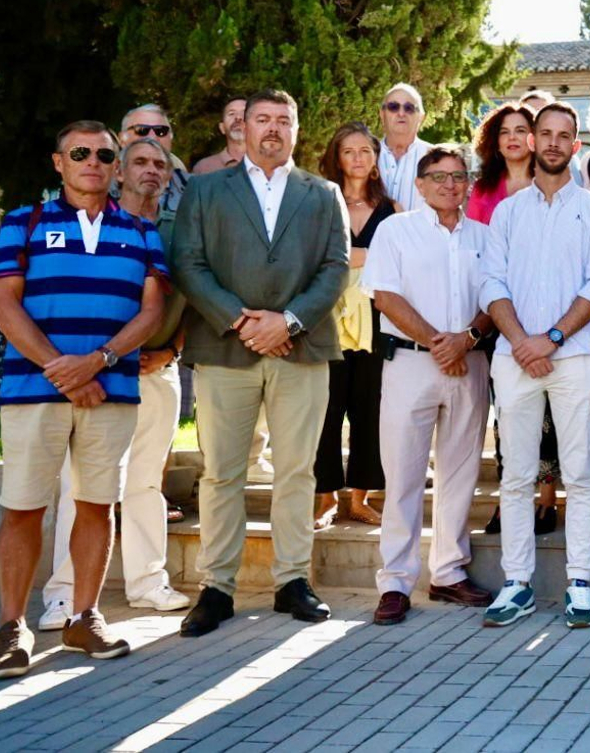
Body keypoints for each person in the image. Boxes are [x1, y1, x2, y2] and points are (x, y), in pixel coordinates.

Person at [0, 121, 167, 679]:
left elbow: (152, 311)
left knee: (97, 503)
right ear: (58, 162)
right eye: (80, 152)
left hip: (109, 391)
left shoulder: (141, 232)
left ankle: (84, 617)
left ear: (116, 165)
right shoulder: (25, 221)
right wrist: (62, 371)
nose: (93, 161)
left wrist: (101, 361)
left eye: (104, 154)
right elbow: (3, 306)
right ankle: (13, 627)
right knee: (23, 507)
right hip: (34, 391)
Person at [171, 88, 350, 637]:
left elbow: (335, 266)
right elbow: (188, 262)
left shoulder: (322, 193)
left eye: (284, 120)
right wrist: (240, 319)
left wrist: (288, 321)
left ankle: (292, 579)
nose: (273, 129)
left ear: (297, 129)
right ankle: (217, 587)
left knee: (297, 470)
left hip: (303, 347)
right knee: (222, 472)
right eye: (262, 120)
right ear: (241, 129)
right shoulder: (204, 190)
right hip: (226, 347)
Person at [480, 103, 590, 630]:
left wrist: (552, 339)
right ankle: (516, 584)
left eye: (566, 135)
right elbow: (492, 283)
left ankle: (579, 583)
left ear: (576, 146)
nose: (556, 143)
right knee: (515, 474)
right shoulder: (507, 212)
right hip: (514, 358)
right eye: (547, 134)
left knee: (579, 473)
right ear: (533, 141)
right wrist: (521, 342)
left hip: (575, 356)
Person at [41, 138, 191, 632]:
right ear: (120, 172)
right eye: (140, 163)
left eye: (160, 165)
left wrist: (170, 352)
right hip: (95, 377)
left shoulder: (176, 232)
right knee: (78, 485)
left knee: (147, 480)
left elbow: (187, 299)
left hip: (157, 372)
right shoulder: (92, 224)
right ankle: (63, 597)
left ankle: (148, 582)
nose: (151, 172)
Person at [363, 146, 497, 625]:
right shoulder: (395, 231)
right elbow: (384, 295)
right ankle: (396, 581)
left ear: (468, 184)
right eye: (438, 176)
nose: (449, 184)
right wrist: (440, 344)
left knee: (460, 473)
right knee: (401, 475)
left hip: (471, 363)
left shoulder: (485, 236)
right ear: (419, 185)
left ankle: (448, 572)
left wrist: (467, 340)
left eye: (458, 176)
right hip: (411, 363)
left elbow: (496, 297)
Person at [467, 102, 562, 534]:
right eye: (503, 130)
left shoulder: (557, 184)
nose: (512, 137)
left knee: (549, 414)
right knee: (509, 411)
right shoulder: (484, 190)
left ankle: (547, 499)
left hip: (550, 319)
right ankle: (512, 500)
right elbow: (475, 254)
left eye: (521, 129)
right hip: (498, 315)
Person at [312, 123, 394, 529]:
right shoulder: (321, 203)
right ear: (337, 158)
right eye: (349, 151)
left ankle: (359, 498)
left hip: (379, 319)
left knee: (370, 410)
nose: (359, 158)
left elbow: (396, 260)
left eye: (366, 150)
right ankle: (324, 498)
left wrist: (353, 255)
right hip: (328, 317)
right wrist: (364, 255)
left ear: (375, 159)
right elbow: (315, 257)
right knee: (326, 410)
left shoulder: (391, 208)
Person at [117, 104, 191, 213]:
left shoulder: (195, 190)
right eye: (142, 130)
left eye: (161, 131)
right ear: (122, 139)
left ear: (171, 139)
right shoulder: (99, 185)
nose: (152, 137)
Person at [377, 82, 432, 211]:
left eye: (409, 108)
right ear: (382, 114)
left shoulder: (435, 158)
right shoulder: (367, 156)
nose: (401, 113)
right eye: (393, 107)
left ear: (421, 117)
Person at [192, 97, 248, 174]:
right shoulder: (204, 168)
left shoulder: (268, 163)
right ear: (222, 128)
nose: (238, 117)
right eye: (231, 114)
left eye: (244, 113)